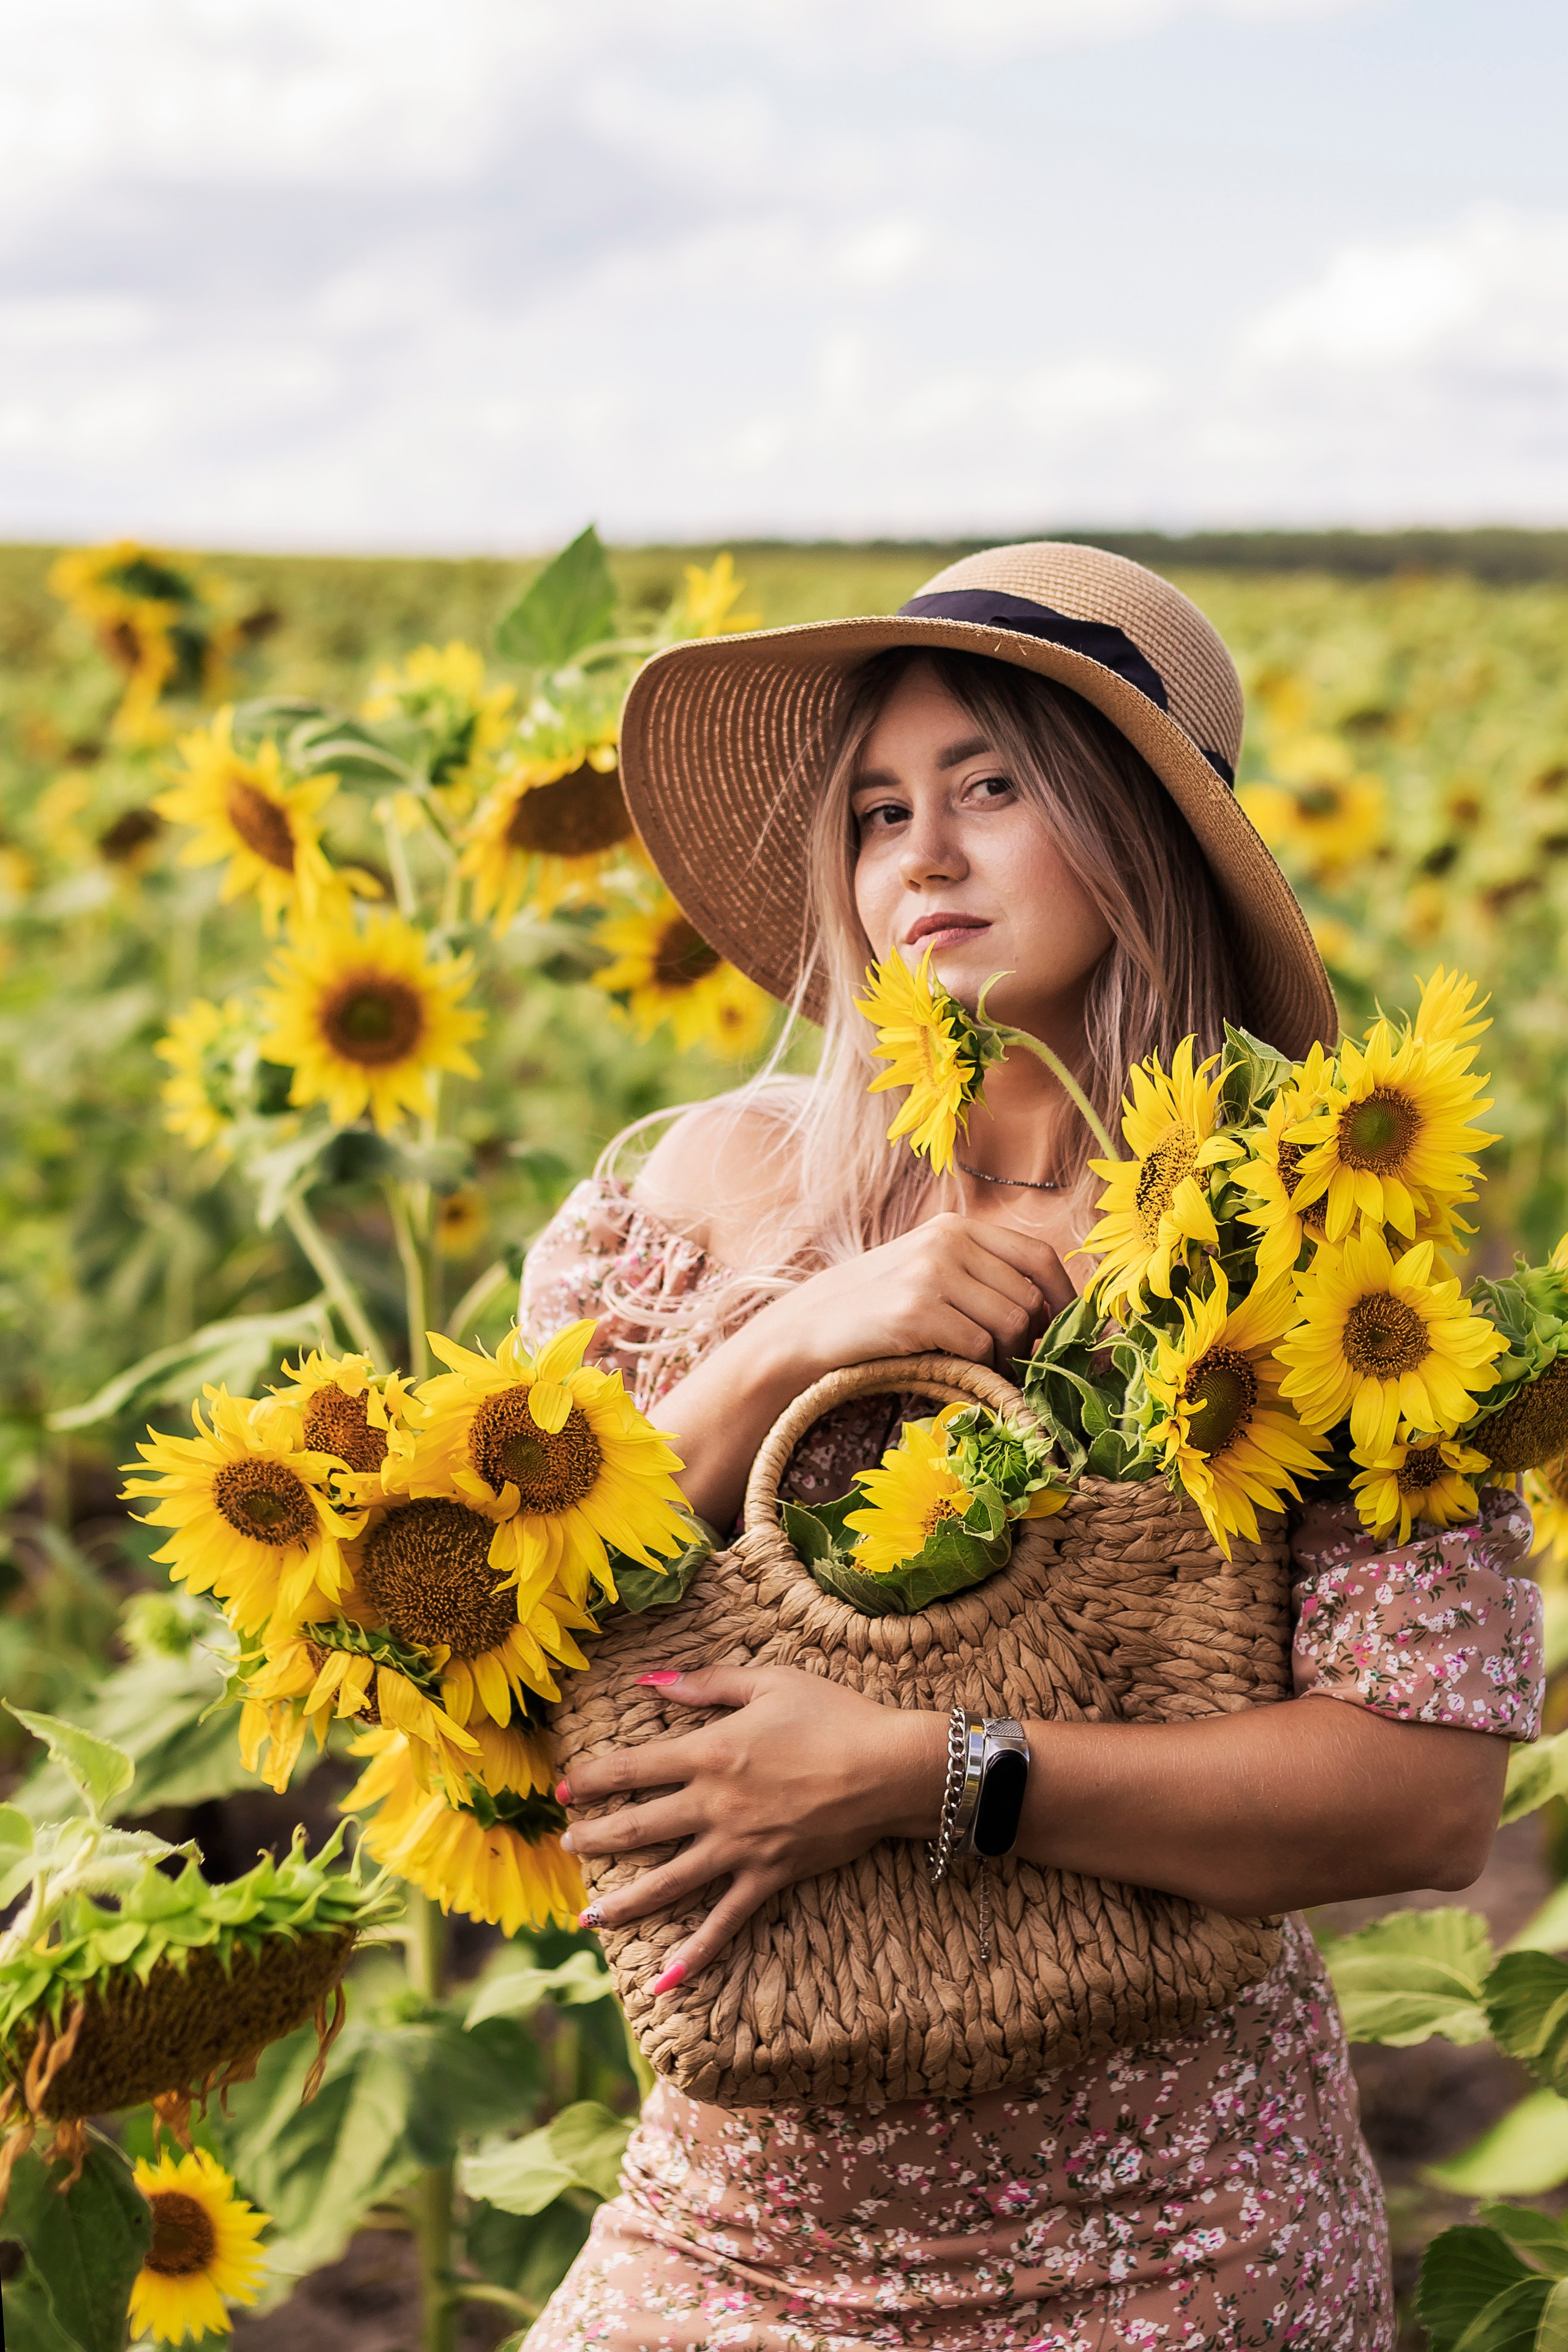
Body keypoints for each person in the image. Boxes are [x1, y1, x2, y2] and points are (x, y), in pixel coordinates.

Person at [521, 543, 1544, 2350]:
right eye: (877, 806)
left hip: (1170, 2235)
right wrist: (793, 1346)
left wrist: (930, 1772)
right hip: (731, 2217)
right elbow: (480, 1642)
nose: (921, 854)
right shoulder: (697, 1198)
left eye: (992, 788)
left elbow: (1426, 1795)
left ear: (1136, 832)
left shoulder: (1317, 1261)